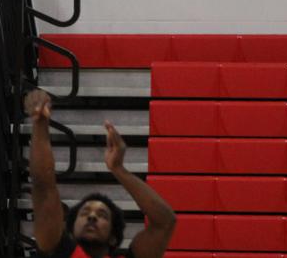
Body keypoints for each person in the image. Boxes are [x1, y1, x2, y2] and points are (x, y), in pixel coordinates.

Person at [26, 89, 176, 258]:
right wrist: (40, 122)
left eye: (102, 215)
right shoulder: (57, 250)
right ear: (72, 230)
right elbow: (43, 186)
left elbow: (165, 222)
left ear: (113, 237)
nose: (91, 217)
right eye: (85, 213)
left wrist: (119, 169)